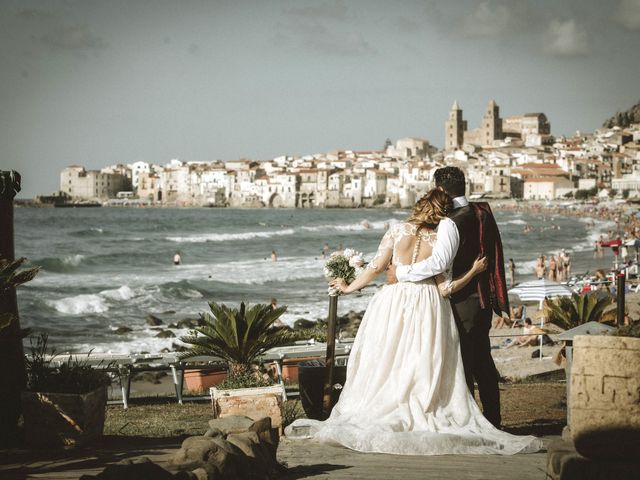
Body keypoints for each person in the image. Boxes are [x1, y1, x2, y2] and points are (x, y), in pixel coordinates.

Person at [285, 187, 541, 455]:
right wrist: (474, 271)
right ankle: (419, 404)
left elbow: (374, 267)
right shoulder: (441, 238)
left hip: (392, 302)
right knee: (421, 360)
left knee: (388, 358)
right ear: (443, 213)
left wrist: (348, 287)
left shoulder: (396, 231)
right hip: (427, 304)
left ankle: (388, 404)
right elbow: (444, 288)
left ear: (418, 206)